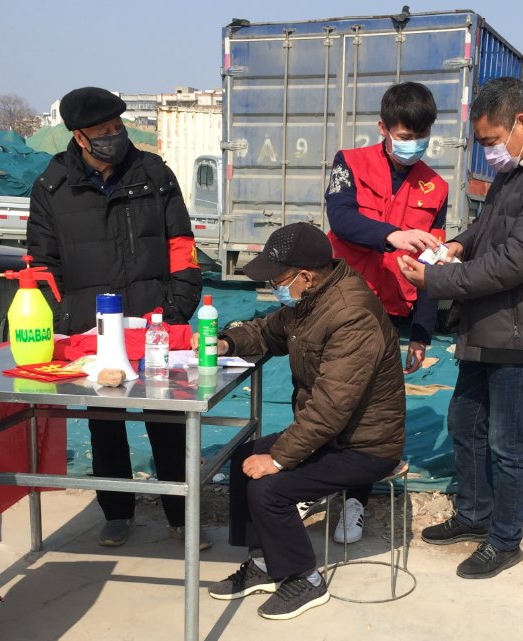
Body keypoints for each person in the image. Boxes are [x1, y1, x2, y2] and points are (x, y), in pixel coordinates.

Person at [397, 77, 523, 579]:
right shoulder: (519, 168)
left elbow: (518, 260)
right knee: (465, 422)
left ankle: (504, 540)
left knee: (510, 442)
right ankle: (474, 514)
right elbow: (489, 228)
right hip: (490, 322)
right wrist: (458, 245)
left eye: (491, 141)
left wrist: (437, 279)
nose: (489, 153)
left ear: (522, 124)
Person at [27, 87, 203, 547]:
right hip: (92, 331)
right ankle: (118, 513)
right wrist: (67, 317)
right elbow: (43, 266)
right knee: (104, 423)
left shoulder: (153, 174)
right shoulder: (53, 187)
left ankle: (181, 516)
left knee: (167, 420)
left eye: (117, 127)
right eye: (102, 131)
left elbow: (181, 247)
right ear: (79, 137)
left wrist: (175, 309)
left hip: (154, 321)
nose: (114, 136)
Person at [204, 222, 405, 619]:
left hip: (365, 445)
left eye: (278, 281)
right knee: (244, 458)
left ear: (306, 276)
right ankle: (264, 563)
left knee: (270, 486)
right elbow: (268, 331)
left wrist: (279, 459)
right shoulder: (310, 302)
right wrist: (226, 341)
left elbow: (331, 407)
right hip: (335, 435)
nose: (274, 288)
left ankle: (305, 580)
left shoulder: (350, 316)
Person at [322, 81, 448, 542]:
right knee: (319, 396)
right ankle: (311, 482)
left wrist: (422, 332)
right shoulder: (349, 163)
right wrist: (392, 235)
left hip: (388, 313)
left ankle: (353, 501)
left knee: (367, 410)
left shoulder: (436, 187)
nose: (413, 144)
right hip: (337, 303)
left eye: (422, 135)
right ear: (383, 128)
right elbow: (341, 219)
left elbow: (432, 262)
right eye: (405, 135)